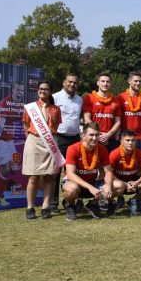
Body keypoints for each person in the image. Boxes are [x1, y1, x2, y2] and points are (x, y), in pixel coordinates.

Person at [62, 122, 121, 221]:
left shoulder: (102, 149)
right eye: (91, 135)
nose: (94, 138)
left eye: (97, 135)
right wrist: (90, 187)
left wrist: (108, 185)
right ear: (83, 135)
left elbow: (108, 171)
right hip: (76, 183)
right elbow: (70, 174)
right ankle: (70, 205)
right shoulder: (73, 149)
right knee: (70, 189)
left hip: (94, 183)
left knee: (119, 186)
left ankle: (93, 204)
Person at [21, 81, 62, 219]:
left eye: (46, 89)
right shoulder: (30, 108)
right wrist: (31, 140)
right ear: (37, 90)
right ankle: (30, 207)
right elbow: (26, 125)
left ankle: (46, 207)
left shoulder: (56, 109)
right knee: (33, 177)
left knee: (49, 176)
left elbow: (55, 127)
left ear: (50, 91)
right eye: (40, 89)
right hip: (34, 141)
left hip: (50, 143)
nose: (43, 91)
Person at [50, 73, 82, 213]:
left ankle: (69, 201)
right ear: (64, 82)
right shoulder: (55, 97)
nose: (72, 84)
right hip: (59, 138)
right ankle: (53, 203)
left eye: (75, 82)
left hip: (75, 139)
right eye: (70, 82)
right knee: (56, 171)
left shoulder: (80, 100)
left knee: (73, 172)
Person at [110, 130, 141, 215]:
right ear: (121, 141)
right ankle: (112, 203)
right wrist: (124, 183)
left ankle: (133, 200)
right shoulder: (115, 153)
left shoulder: (139, 153)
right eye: (127, 140)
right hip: (119, 183)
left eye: (133, 140)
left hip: (134, 182)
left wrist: (137, 182)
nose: (130, 143)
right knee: (117, 185)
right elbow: (109, 173)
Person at [82, 72, 122, 150]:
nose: (105, 84)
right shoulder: (89, 98)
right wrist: (98, 134)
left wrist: (108, 135)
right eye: (102, 81)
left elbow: (118, 122)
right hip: (93, 138)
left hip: (110, 139)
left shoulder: (116, 100)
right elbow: (86, 119)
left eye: (108, 82)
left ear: (111, 84)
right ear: (98, 83)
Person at [119, 71, 141, 152]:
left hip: (140, 137)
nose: (138, 83)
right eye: (135, 81)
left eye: (140, 81)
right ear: (129, 81)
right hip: (125, 137)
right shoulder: (120, 98)